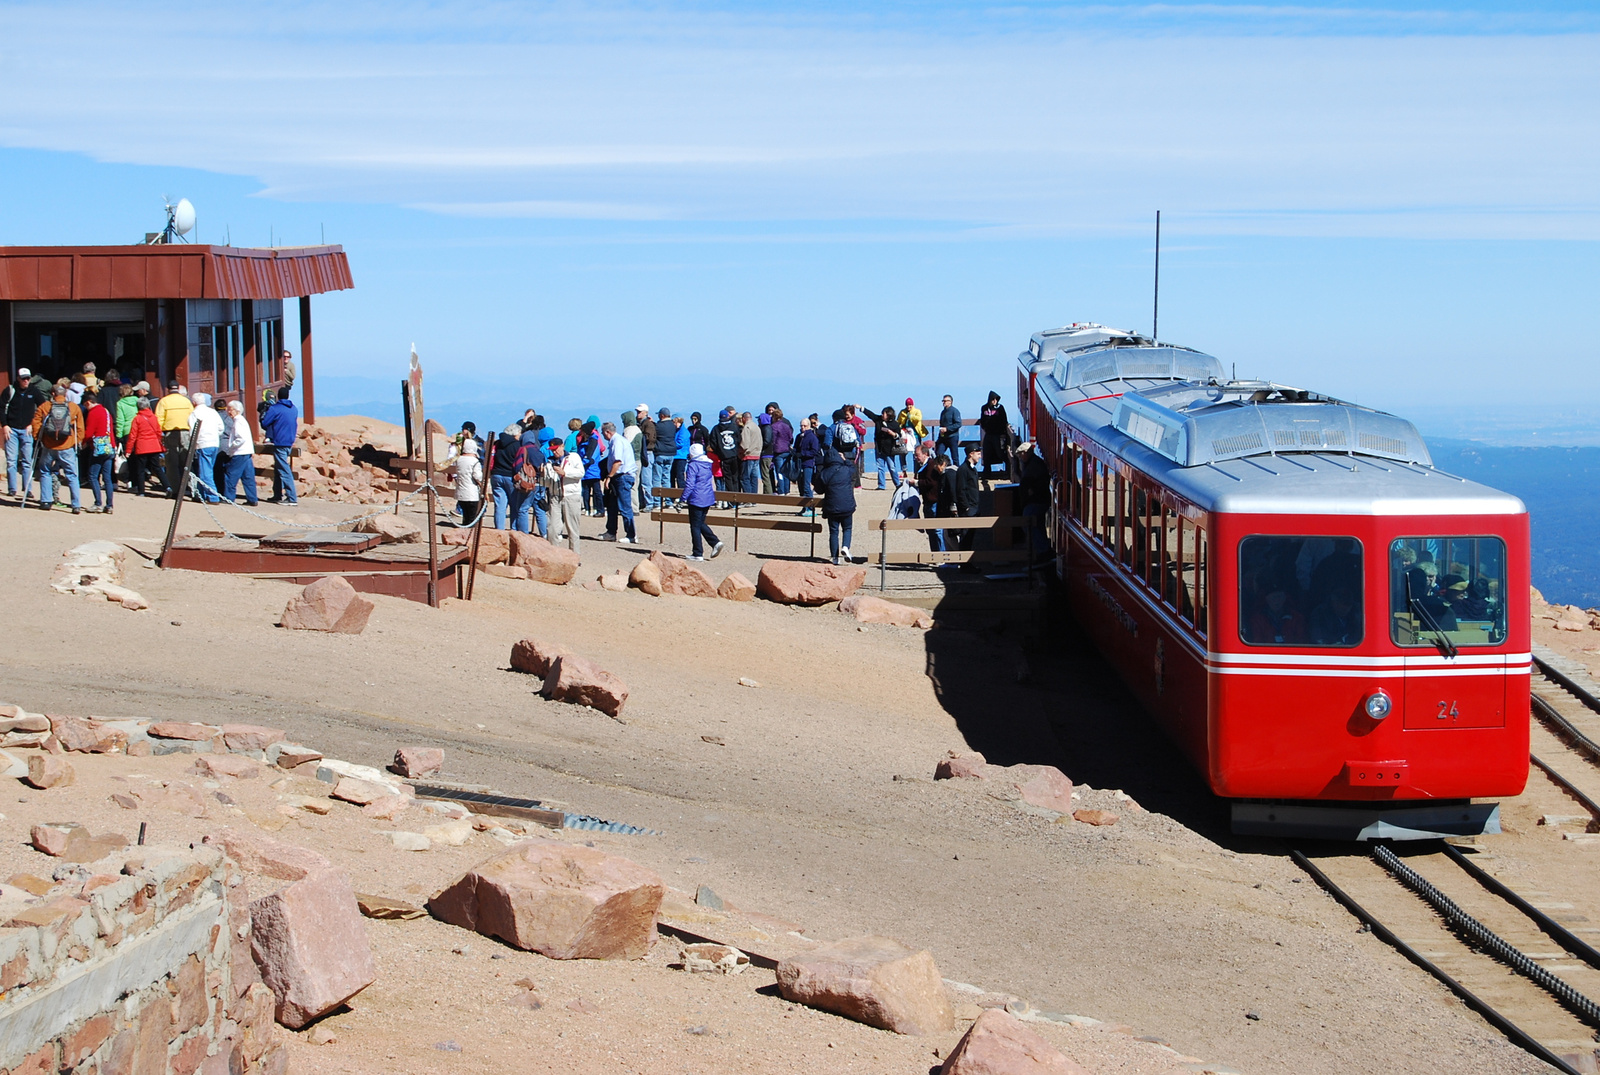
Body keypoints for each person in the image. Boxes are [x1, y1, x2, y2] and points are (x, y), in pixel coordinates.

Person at [31, 383, 84, 512]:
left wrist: (39, 438)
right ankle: (76, 504)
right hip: (67, 445)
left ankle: (46, 501)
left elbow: (36, 423)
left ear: (52, 394)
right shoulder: (73, 407)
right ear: (65, 394)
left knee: (45, 471)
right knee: (71, 474)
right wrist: (77, 441)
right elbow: (80, 428)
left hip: (49, 446)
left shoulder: (45, 407)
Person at [813, 448, 856, 565]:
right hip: (847, 506)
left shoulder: (824, 473)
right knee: (847, 528)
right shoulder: (846, 470)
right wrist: (845, 459)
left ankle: (835, 558)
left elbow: (819, 490)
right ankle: (846, 547)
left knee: (833, 532)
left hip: (832, 507)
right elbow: (854, 469)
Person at [5, 370, 44, 498]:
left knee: (28, 461)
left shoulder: (34, 391)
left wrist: (33, 424)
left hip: (27, 430)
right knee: (11, 460)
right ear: (18, 379)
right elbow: (1, 408)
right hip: (12, 430)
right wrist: (5, 425)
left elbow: (42, 408)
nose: (26, 381)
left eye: (28, 378)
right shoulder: (10, 390)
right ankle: (12, 488)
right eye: (23, 378)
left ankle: (28, 489)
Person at [682, 443, 724, 561]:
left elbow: (690, 484)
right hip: (707, 497)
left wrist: (683, 498)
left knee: (695, 525)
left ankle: (698, 552)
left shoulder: (693, 465)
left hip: (696, 498)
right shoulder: (707, 463)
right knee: (700, 523)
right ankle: (715, 543)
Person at [257, 386, 299, 504]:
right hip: (289, 441)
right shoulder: (294, 409)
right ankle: (277, 494)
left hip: (279, 442)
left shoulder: (275, 409)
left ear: (278, 396)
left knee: (284, 470)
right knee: (279, 468)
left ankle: (291, 497)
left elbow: (265, 423)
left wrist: (264, 412)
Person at [544, 435, 584, 556]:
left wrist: (565, 473)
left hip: (571, 496)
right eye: (552, 450)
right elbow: (546, 483)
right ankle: (553, 555)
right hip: (555, 496)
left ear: (562, 446)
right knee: (553, 528)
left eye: (557, 448)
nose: (555, 452)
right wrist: (544, 475)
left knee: (572, 529)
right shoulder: (549, 462)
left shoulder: (573, 457)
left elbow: (581, 473)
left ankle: (574, 556)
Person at [600, 420, 638, 543]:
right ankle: (611, 532)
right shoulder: (616, 441)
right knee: (612, 506)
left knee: (625, 506)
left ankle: (631, 535)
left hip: (622, 476)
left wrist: (609, 477)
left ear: (608, 432)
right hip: (618, 477)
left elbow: (618, 461)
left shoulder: (617, 442)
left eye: (603, 433)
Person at [943, 445, 981, 566]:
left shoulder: (971, 469)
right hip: (969, 509)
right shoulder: (964, 470)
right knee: (966, 537)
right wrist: (966, 507)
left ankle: (967, 563)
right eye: (978, 453)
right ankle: (965, 564)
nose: (980, 456)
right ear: (971, 454)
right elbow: (961, 490)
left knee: (970, 536)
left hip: (973, 507)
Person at [155, 381, 194, 500]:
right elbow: (192, 415)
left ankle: (175, 489)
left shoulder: (164, 401)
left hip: (170, 432)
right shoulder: (186, 401)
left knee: (172, 462)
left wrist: (160, 434)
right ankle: (188, 487)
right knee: (186, 460)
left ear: (168, 389)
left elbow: (159, 419)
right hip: (186, 432)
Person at [83, 390, 117, 513]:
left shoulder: (93, 413)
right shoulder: (106, 411)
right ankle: (109, 505)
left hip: (98, 447)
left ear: (88, 402)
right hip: (109, 446)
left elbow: (89, 431)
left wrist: (83, 442)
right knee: (107, 477)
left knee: (93, 475)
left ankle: (98, 503)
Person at [219, 400, 259, 505]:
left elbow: (241, 438)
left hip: (239, 452)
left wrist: (231, 446)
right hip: (246, 452)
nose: (228, 411)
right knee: (248, 477)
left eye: (230, 409)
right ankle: (252, 498)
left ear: (236, 410)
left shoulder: (238, 421)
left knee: (231, 475)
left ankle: (229, 498)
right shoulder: (242, 420)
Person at [124, 398, 167, 496]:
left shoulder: (137, 418)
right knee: (157, 468)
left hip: (142, 446)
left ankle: (141, 491)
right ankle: (167, 486)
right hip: (154, 445)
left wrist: (128, 450)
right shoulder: (153, 417)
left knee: (140, 470)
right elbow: (158, 432)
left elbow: (132, 436)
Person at [188, 393, 223, 503]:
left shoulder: (194, 413)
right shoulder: (212, 412)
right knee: (207, 469)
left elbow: (192, 432)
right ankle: (201, 494)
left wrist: (194, 443)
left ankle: (213, 497)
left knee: (205, 472)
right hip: (214, 443)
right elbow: (221, 428)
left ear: (194, 402)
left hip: (203, 444)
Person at [513, 426, 549, 537]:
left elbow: (517, 466)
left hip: (528, 483)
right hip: (540, 482)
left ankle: (524, 534)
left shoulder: (523, 449)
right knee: (539, 509)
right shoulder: (538, 451)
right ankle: (544, 534)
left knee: (523, 509)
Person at [491, 423, 521, 529]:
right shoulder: (516, 445)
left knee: (500, 505)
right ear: (515, 433)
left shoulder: (497, 443)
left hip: (496, 475)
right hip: (510, 476)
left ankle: (500, 530)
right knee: (514, 505)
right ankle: (514, 530)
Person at [978, 391, 1011, 484]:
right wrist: (985, 428)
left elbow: (1004, 420)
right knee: (986, 453)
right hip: (988, 434)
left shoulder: (1000, 408)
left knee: (1000, 453)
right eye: (993, 399)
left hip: (997, 434)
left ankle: (1008, 471)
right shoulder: (984, 408)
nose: (994, 401)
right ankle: (987, 474)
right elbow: (982, 420)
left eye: (996, 399)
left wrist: (1002, 431)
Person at [918, 453, 948, 554]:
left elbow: (931, 482)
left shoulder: (931, 465)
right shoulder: (926, 466)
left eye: (917, 455)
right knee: (931, 530)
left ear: (925, 454)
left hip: (934, 502)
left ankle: (941, 554)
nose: (916, 457)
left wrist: (917, 482)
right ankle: (935, 554)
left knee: (937, 530)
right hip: (928, 501)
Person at [452, 439, 484, 525]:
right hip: (471, 493)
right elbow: (478, 476)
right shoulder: (474, 461)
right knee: (472, 518)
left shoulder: (459, 460)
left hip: (461, 492)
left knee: (465, 517)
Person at [711, 409, 741, 498]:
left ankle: (731, 499)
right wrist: (736, 450)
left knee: (727, 478)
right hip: (734, 455)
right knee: (735, 477)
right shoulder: (734, 427)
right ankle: (737, 497)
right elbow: (739, 440)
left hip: (724, 457)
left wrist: (720, 452)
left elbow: (713, 444)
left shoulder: (716, 429)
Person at [577, 418, 604, 516]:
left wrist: (581, 464)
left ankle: (600, 509)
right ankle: (588, 509)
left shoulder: (593, 442)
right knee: (586, 491)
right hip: (586, 471)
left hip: (592, 470)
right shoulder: (584, 442)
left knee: (596, 491)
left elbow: (590, 458)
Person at [651, 406, 677, 506]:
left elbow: (655, 432)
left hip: (660, 453)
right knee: (666, 477)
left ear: (662, 415)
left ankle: (657, 502)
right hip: (671, 454)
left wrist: (653, 423)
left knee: (657, 478)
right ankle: (668, 501)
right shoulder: (673, 426)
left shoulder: (658, 426)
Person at [768, 405, 794, 495]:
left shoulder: (774, 427)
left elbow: (773, 440)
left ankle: (781, 490)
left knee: (779, 472)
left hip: (778, 451)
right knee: (786, 471)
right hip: (787, 450)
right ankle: (787, 490)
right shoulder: (786, 426)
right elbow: (791, 438)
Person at [635, 405, 656, 511]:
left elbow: (650, 438)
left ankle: (650, 503)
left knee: (646, 480)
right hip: (642, 453)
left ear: (645, 412)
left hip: (647, 452)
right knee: (639, 480)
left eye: (639, 412)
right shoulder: (639, 424)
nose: (637, 414)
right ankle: (642, 502)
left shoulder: (648, 424)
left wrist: (640, 437)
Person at [795, 416, 821, 499]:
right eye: (801, 426)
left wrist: (802, 454)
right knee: (801, 487)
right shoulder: (799, 437)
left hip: (808, 464)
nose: (803, 427)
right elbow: (796, 448)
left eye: (804, 426)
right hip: (799, 464)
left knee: (807, 486)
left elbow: (814, 451)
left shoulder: (812, 437)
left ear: (809, 426)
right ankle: (804, 508)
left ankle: (809, 507)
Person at [738, 411, 762, 494]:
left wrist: (740, 452)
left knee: (745, 478)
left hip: (748, 456)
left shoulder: (747, 427)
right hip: (757, 455)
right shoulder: (756, 427)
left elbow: (745, 444)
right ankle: (753, 498)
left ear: (744, 418)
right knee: (754, 478)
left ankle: (747, 498)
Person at [937, 394, 961, 459]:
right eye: (943, 401)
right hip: (943, 437)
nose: (944, 402)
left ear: (950, 402)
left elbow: (958, 424)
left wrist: (947, 429)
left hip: (952, 437)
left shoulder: (955, 411)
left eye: (946, 401)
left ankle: (956, 468)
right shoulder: (943, 412)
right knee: (939, 454)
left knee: (954, 456)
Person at [671, 413, 690, 488]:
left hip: (681, 456)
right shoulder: (676, 431)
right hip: (675, 456)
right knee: (672, 476)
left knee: (680, 476)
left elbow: (680, 444)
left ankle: (681, 493)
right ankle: (672, 494)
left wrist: (670, 445)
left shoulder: (684, 432)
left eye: (675, 422)